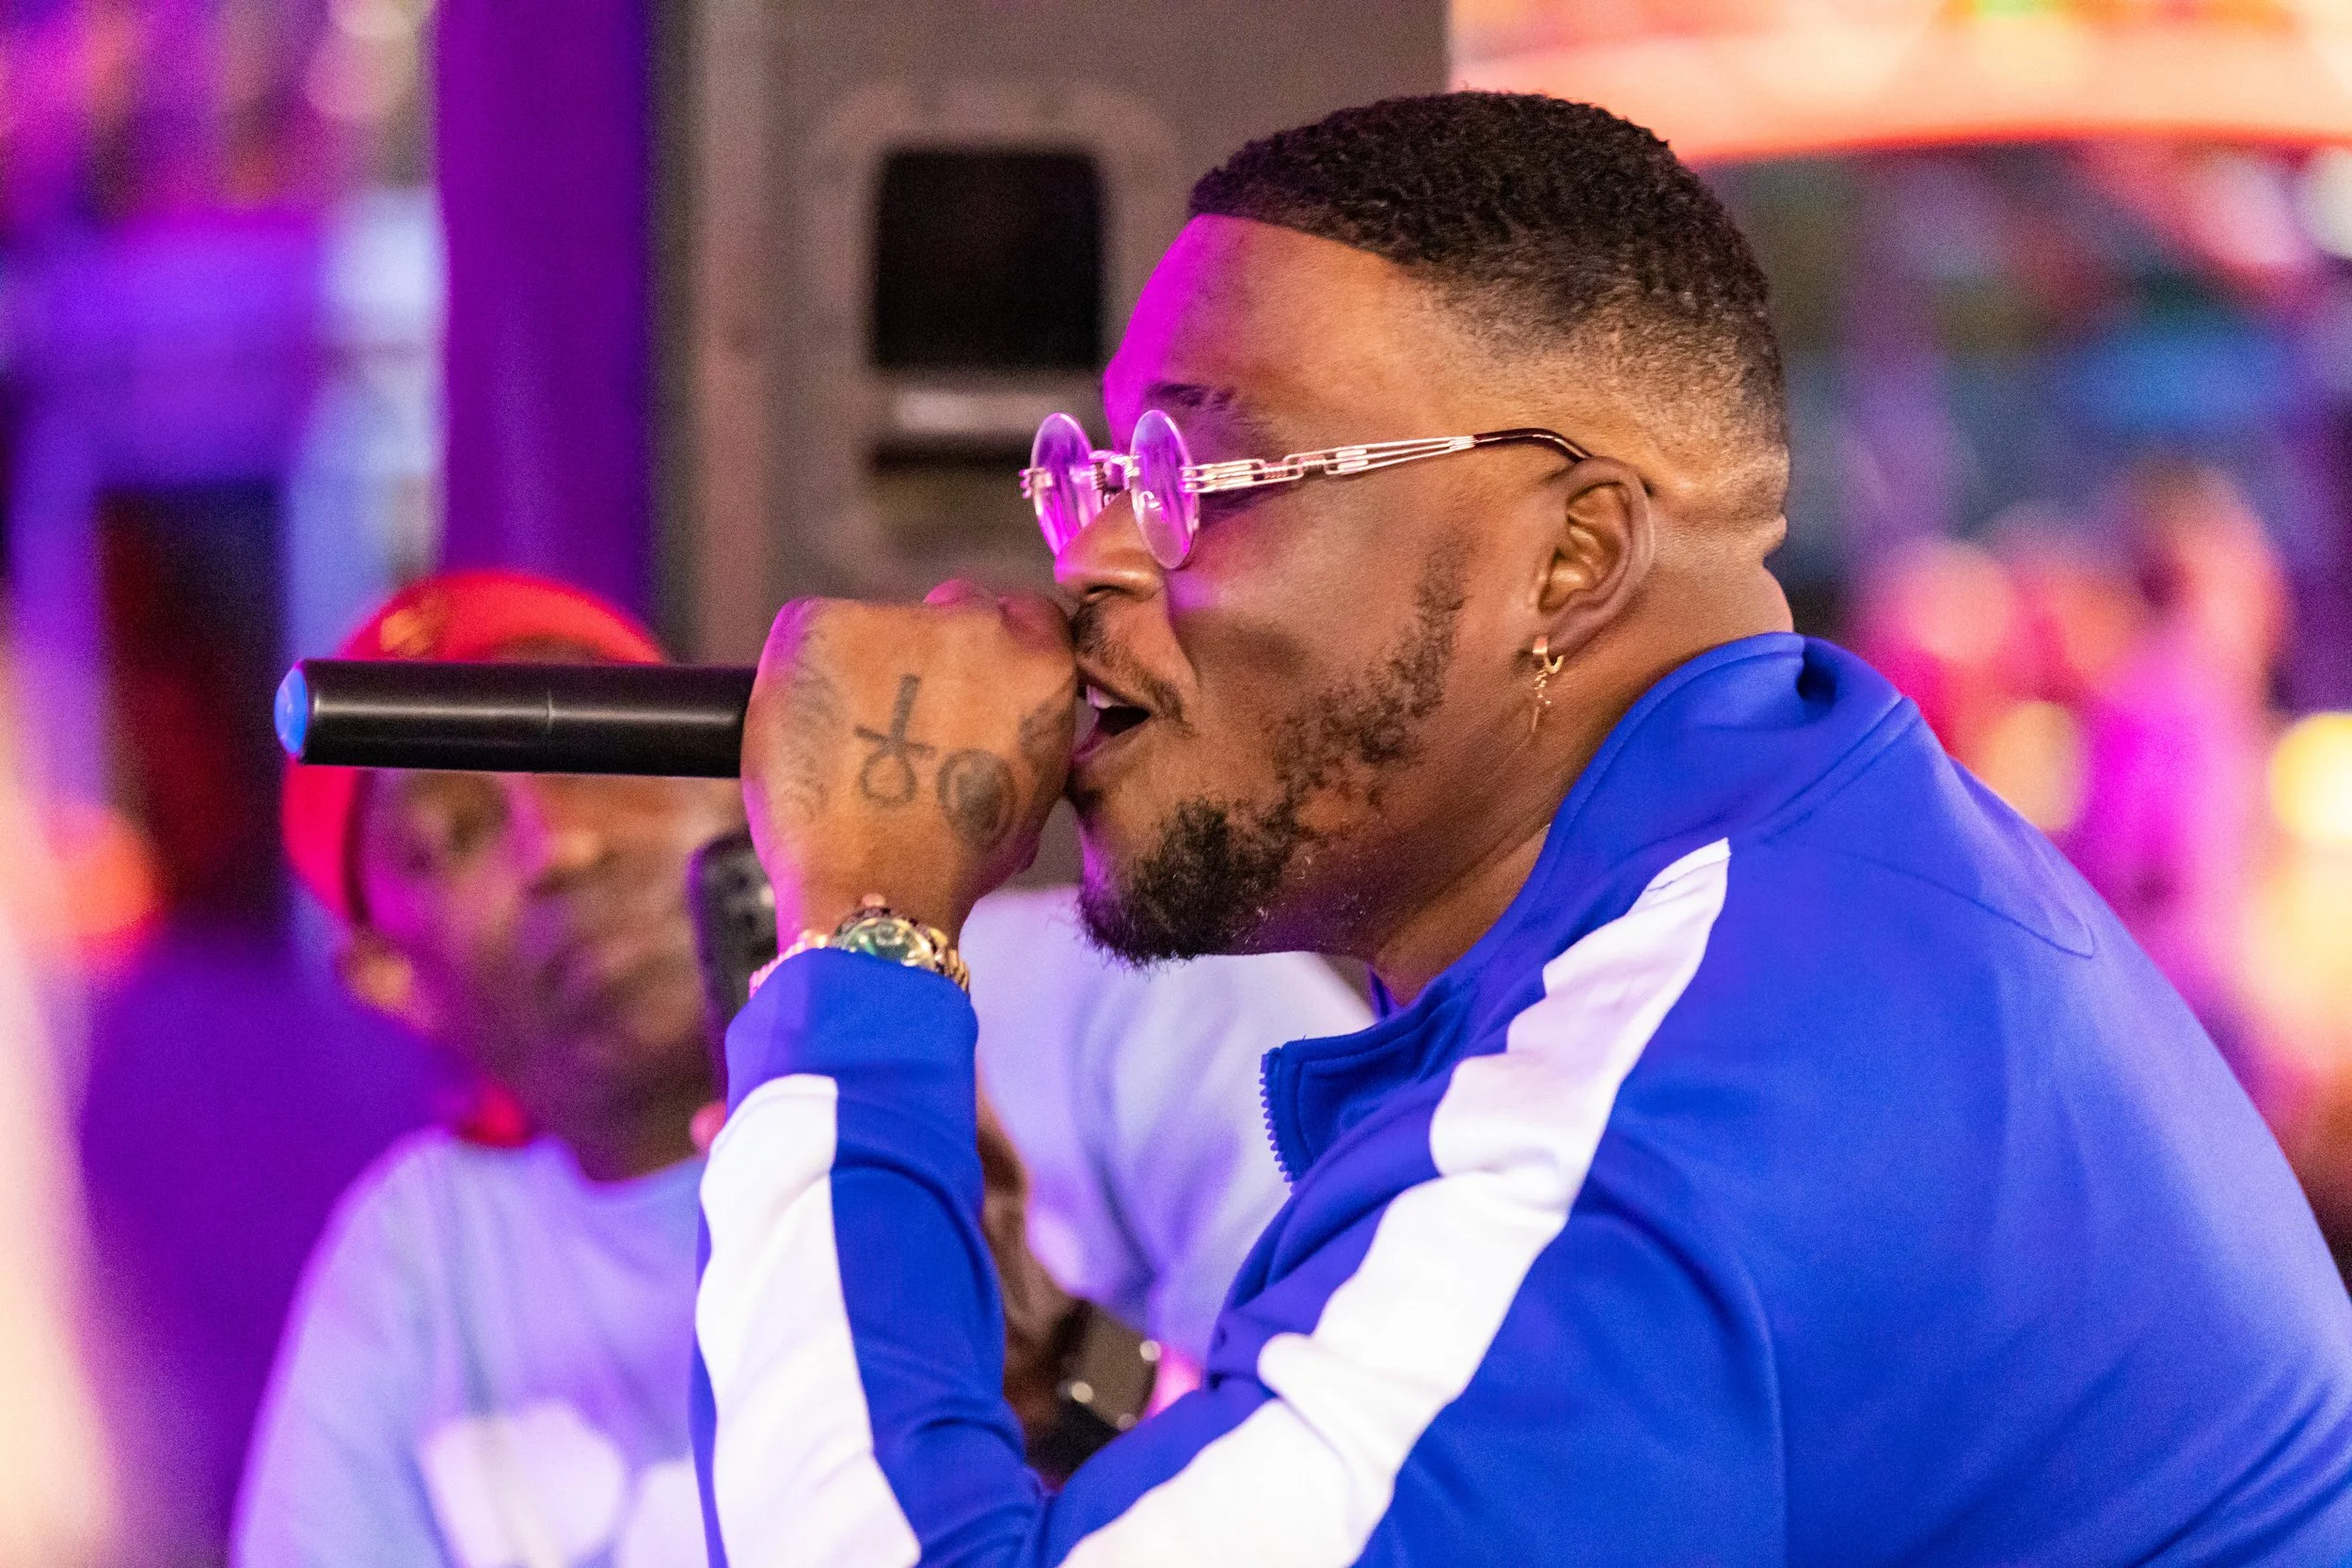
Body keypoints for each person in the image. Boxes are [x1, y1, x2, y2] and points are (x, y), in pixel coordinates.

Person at [697, 92, 2352, 1566]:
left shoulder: (1670, 1101)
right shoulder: (1799, 866)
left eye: (1205, 476)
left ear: (1569, 561)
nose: (1097, 563)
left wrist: (867, 930)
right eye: (1108, 472)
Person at [234, 571, 1366, 1568]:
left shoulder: (1131, 989)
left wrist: (1060, 1367)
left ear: (744, 759)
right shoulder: (420, 1263)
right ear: (390, 974)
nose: (565, 845)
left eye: (597, 755)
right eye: (454, 834)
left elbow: (1379, 1482)